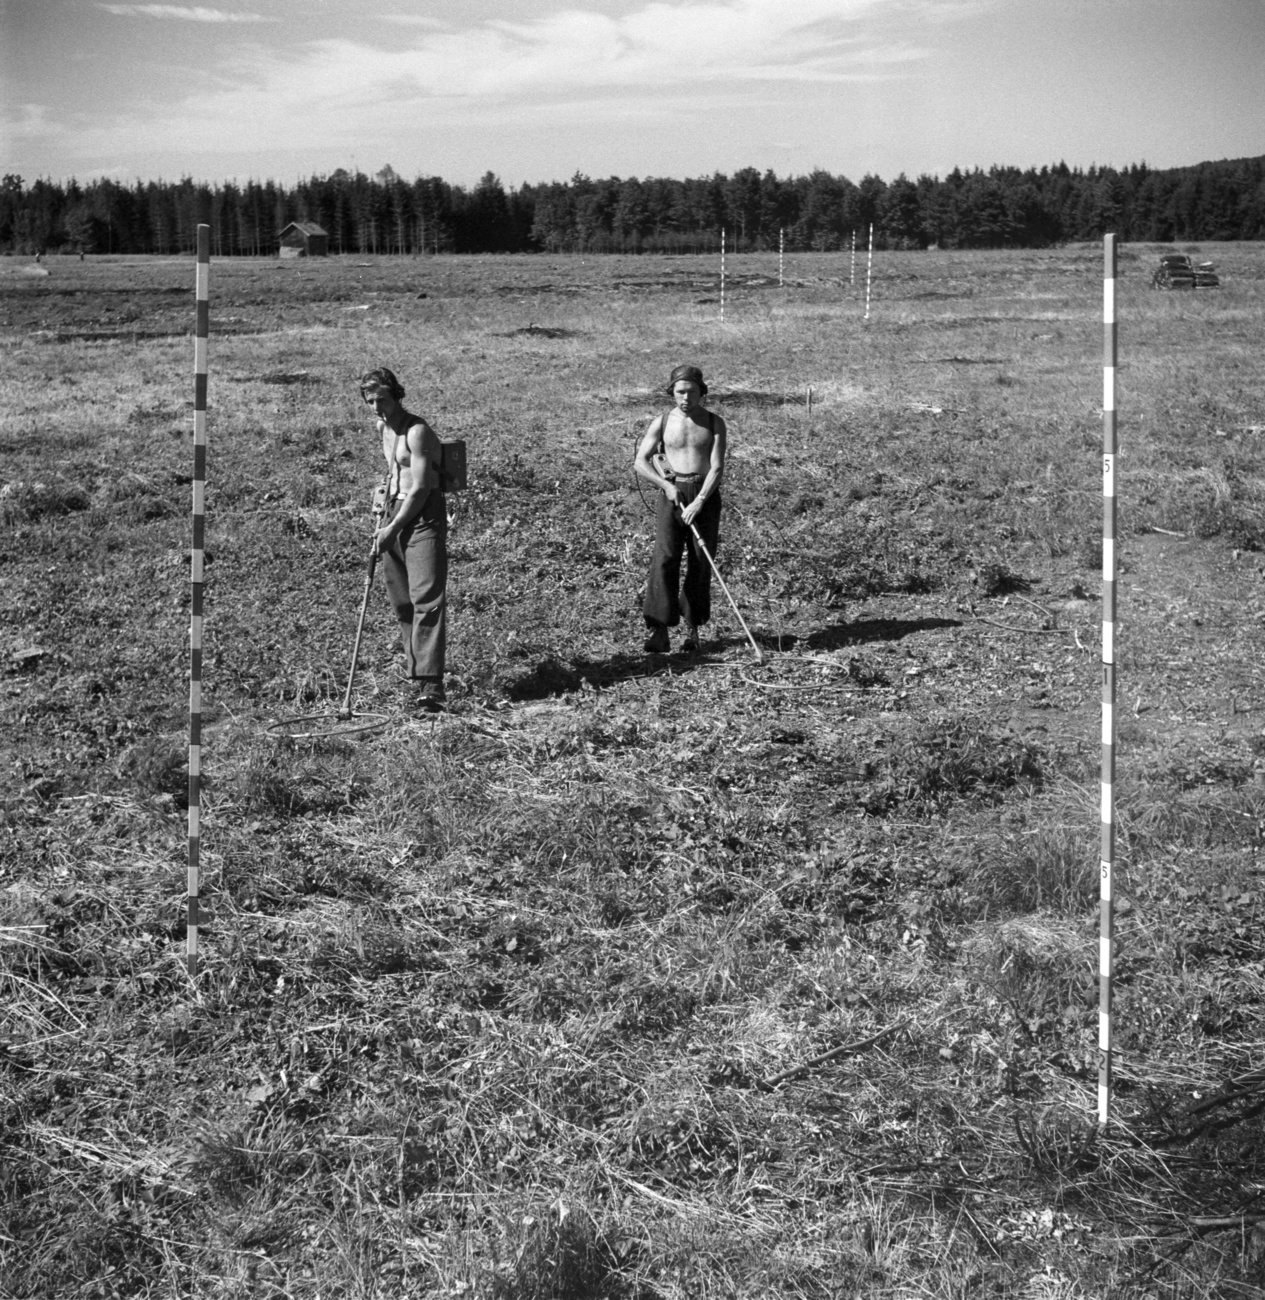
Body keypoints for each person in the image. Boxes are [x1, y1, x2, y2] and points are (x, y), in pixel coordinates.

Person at [359, 367, 447, 712]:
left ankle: (431, 685)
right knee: (402, 602)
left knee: (426, 597)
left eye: (382, 399)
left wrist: (393, 528)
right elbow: (394, 473)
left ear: (396, 395)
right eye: (370, 401)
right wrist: (382, 506)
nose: (377, 407)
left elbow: (421, 487)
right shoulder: (382, 428)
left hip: (422, 514)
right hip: (392, 512)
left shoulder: (417, 431)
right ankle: (417, 676)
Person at [634, 364, 727, 653]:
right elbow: (640, 462)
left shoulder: (714, 423)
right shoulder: (662, 422)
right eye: (680, 392)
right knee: (665, 558)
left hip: (704, 495)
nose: (686, 398)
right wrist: (666, 486)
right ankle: (659, 629)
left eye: (692, 392)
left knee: (701, 560)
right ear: (672, 392)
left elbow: (717, 467)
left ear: (702, 392)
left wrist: (699, 501)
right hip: (672, 493)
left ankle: (693, 628)